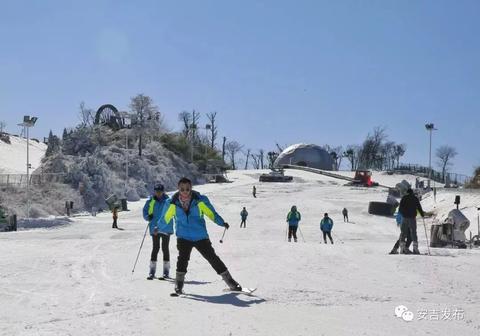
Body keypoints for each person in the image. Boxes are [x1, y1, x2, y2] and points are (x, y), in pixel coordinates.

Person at [161, 177, 242, 294]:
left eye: (187, 189)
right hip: (183, 237)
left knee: (212, 258)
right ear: (178, 189)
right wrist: (158, 227)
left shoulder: (200, 200)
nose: (185, 192)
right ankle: (178, 285)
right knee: (182, 260)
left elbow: (211, 213)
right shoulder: (172, 203)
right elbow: (165, 218)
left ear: (191, 188)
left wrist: (221, 222)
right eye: (182, 189)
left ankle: (231, 282)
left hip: (200, 236)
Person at [143, 182, 171, 280]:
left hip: (166, 227)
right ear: (154, 191)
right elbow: (145, 212)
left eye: (160, 191)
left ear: (163, 191)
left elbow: (173, 211)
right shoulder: (150, 201)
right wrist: (147, 217)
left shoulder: (168, 201)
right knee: (155, 248)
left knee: (165, 248)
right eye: (156, 191)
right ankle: (152, 271)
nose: (158, 193)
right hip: (154, 227)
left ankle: (166, 271)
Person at [398, 188, 425, 254]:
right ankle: (415, 248)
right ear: (412, 193)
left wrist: (403, 214)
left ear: (407, 192)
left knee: (403, 232)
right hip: (412, 218)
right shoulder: (415, 198)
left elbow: (400, 208)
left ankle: (402, 248)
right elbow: (419, 207)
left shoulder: (404, 198)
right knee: (413, 232)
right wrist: (422, 214)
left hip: (405, 218)